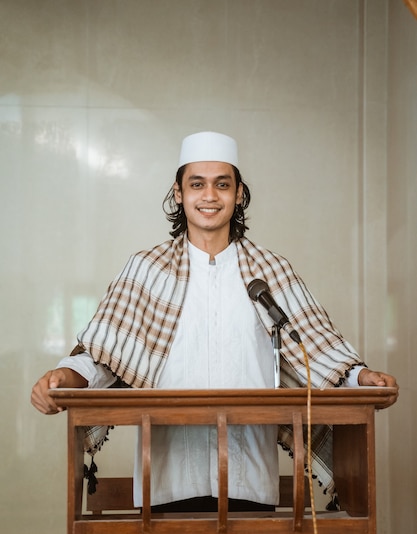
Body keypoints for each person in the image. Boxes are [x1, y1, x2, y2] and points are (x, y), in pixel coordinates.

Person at [31, 131, 399, 512]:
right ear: (178, 193)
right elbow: (106, 354)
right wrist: (62, 378)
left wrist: (361, 378)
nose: (209, 196)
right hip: (165, 480)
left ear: (239, 193)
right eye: (197, 184)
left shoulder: (271, 272)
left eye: (222, 184)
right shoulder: (146, 270)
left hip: (250, 480)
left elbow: (317, 352)